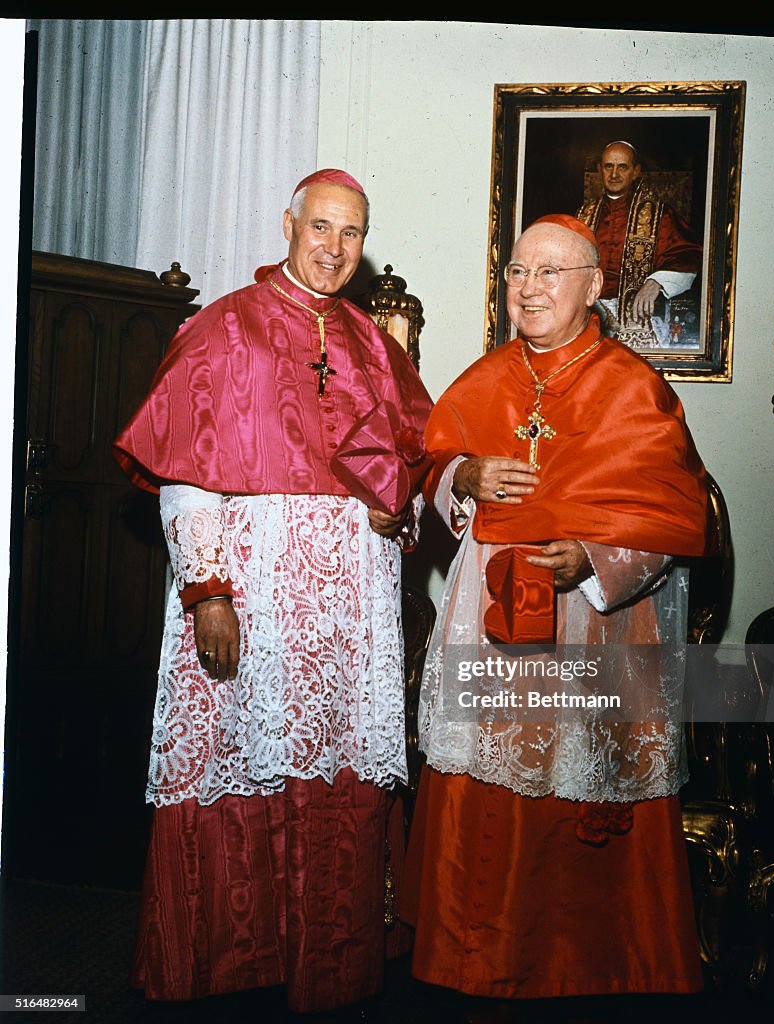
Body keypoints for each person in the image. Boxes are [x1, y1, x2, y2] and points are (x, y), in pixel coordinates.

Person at [113, 168, 433, 1013]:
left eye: (351, 235)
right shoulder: (225, 329)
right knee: (238, 762)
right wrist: (208, 592)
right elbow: (185, 478)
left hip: (349, 611)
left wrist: (399, 511)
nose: (334, 249)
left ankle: (328, 966)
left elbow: (413, 469)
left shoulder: (372, 343)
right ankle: (234, 966)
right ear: (288, 224)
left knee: (337, 776)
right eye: (321, 228)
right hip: (250, 598)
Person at [400, 214, 710, 1018]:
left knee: (573, 784)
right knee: (482, 780)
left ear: (593, 286)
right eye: (514, 273)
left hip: (591, 628)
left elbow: (671, 523)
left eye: (548, 273)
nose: (527, 289)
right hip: (488, 617)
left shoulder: (631, 386)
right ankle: (471, 962)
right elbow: (429, 467)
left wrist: (595, 561)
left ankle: (580, 969)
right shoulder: (485, 374)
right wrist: (463, 475)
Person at [577, 140, 703, 350]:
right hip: (589, 319)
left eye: (622, 167)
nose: (614, 174)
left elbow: (688, 256)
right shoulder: (583, 215)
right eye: (609, 166)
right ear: (600, 170)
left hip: (639, 319)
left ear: (635, 172)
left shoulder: (660, 214)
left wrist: (656, 283)